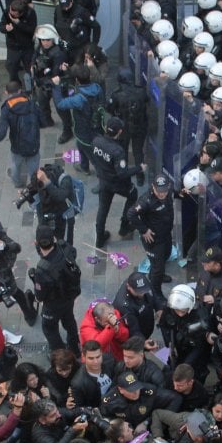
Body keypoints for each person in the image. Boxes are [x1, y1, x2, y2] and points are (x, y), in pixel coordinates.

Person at [92, 117, 145, 249]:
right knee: (133, 194)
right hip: (118, 183)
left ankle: (99, 238)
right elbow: (122, 173)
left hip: (103, 181)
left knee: (103, 209)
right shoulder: (118, 151)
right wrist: (139, 168)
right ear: (120, 131)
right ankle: (124, 226)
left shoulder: (96, 141)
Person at [0, 80, 44, 190]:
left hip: (17, 146)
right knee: (34, 170)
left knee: (16, 165)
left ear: (6, 92)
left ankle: (17, 183)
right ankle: (34, 187)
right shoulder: (32, 103)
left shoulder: (7, 109)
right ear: (20, 90)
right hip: (33, 145)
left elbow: (1, 133)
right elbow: (42, 121)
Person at [32, 224, 81, 357]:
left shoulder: (41, 270)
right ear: (53, 239)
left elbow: (40, 295)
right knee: (69, 321)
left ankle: (61, 354)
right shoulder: (64, 247)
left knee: (49, 328)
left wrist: (38, 297)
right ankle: (75, 348)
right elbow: (74, 253)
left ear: (36, 243)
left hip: (53, 304)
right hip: (70, 296)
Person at [52, 63, 103, 174]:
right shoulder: (98, 88)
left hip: (84, 130)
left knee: (93, 157)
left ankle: (101, 178)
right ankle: (84, 166)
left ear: (76, 80)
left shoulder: (78, 99)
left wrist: (56, 86)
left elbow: (60, 103)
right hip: (98, 125)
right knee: (80, 146)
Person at [129, 176, 175, 299]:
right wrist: (144, 230)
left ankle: (157, 275)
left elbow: (173, 195)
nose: (162, 194)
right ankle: (156, 292)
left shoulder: (168, 191)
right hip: (153, 239)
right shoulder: (146, 201)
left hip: (166, 233)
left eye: (164, 191)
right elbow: (131, 214)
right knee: (157, 267)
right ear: (153, 187)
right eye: (159, 191)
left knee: (167, 254)